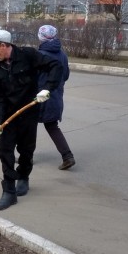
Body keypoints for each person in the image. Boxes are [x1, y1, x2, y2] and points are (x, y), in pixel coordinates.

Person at [0, 29, 64, 211]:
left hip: (28, 113)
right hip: (8, 116)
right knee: (6, 151)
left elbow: (55, 66)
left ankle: (24, 177)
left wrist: (47, 89)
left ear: (3, 46)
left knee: (26, 151)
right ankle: (9, 191)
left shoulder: (27, 55)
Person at [37, 25, 75, 170]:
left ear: (41, 37)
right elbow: (65, 76)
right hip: (55, 97)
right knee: (52, 126)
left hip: (38, 96)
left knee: (29, 127)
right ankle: (68, 156)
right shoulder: (62, 55)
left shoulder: (39, 54)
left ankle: (25, 156)